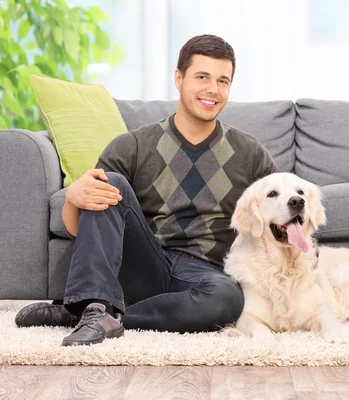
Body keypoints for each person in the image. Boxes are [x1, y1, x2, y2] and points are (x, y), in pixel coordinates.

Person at [14, 34, 278, 346]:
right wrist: (72, 199)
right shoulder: (132, 147)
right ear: (179, 79)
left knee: (227, 301)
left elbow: (282, 215)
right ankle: (97, 306)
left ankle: (93, 313)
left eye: (223, 81)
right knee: (110, 184)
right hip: (143, 264)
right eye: (202, 77)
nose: (213, 89)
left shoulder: (250, 153)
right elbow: (84, 230)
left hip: (206, 275)